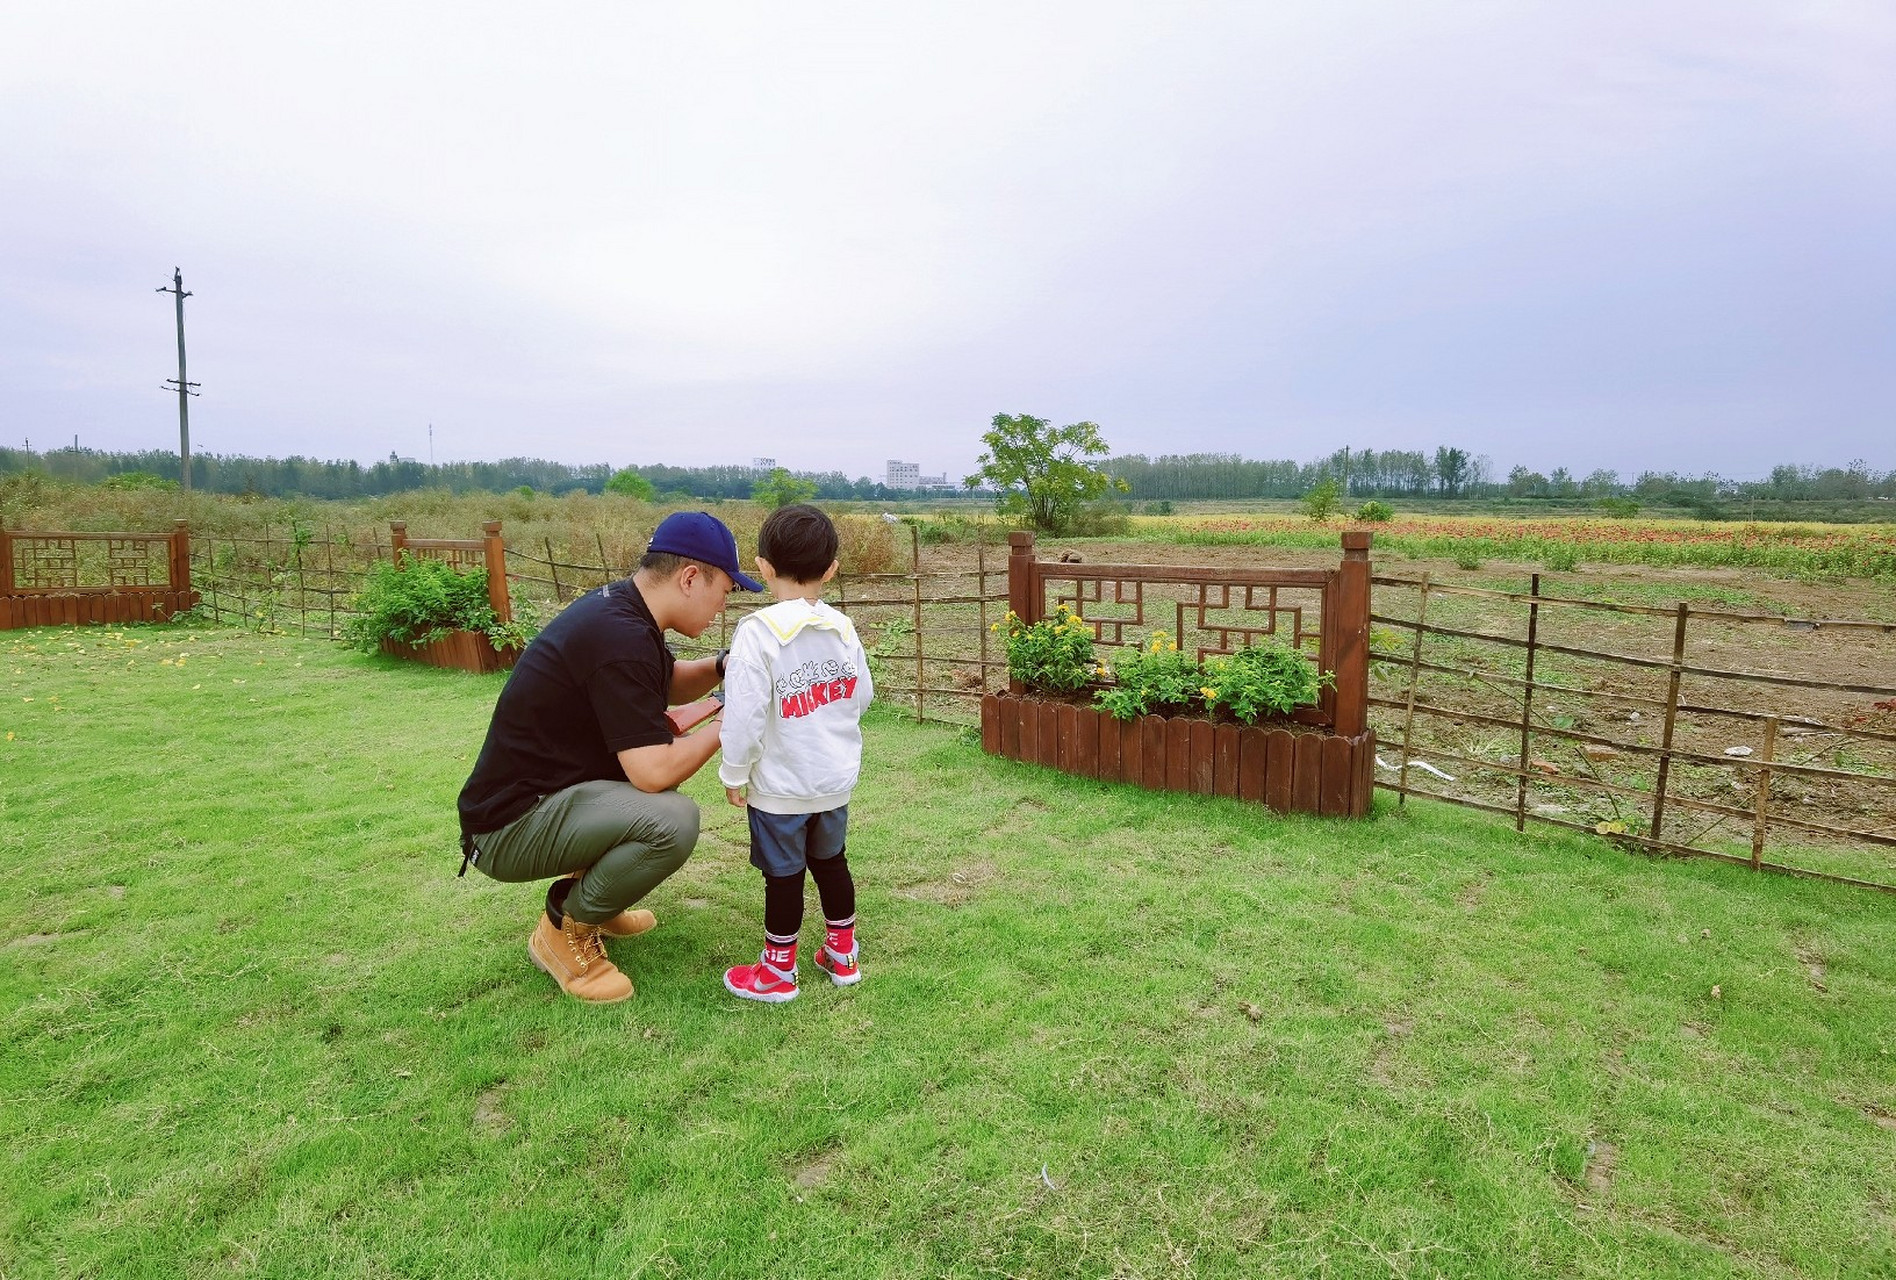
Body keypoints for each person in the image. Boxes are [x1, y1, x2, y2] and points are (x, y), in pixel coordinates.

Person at [457, 511, 761, 1004]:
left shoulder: (623, 611)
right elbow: (652, 771)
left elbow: (664, 682)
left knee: (657, 801)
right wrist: (730, 723)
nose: (723, 605)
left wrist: (726, 665)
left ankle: (593, 904)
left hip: (541, 800)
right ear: (690, 577)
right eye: (725, 590)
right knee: (673, 817)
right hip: (506, 827)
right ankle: (565, 928)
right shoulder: (620, 635)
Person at [717, 503, 874, 1003]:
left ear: (762, 566)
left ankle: (777, 973)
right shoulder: (843, 628)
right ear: (830, 569)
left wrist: (734, 771)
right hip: (832, 782)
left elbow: (742, 716)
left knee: (783, 876)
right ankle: (842, 955)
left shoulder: (757, 633)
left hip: (780, 789)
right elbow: (862, 695)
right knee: (832, 862)